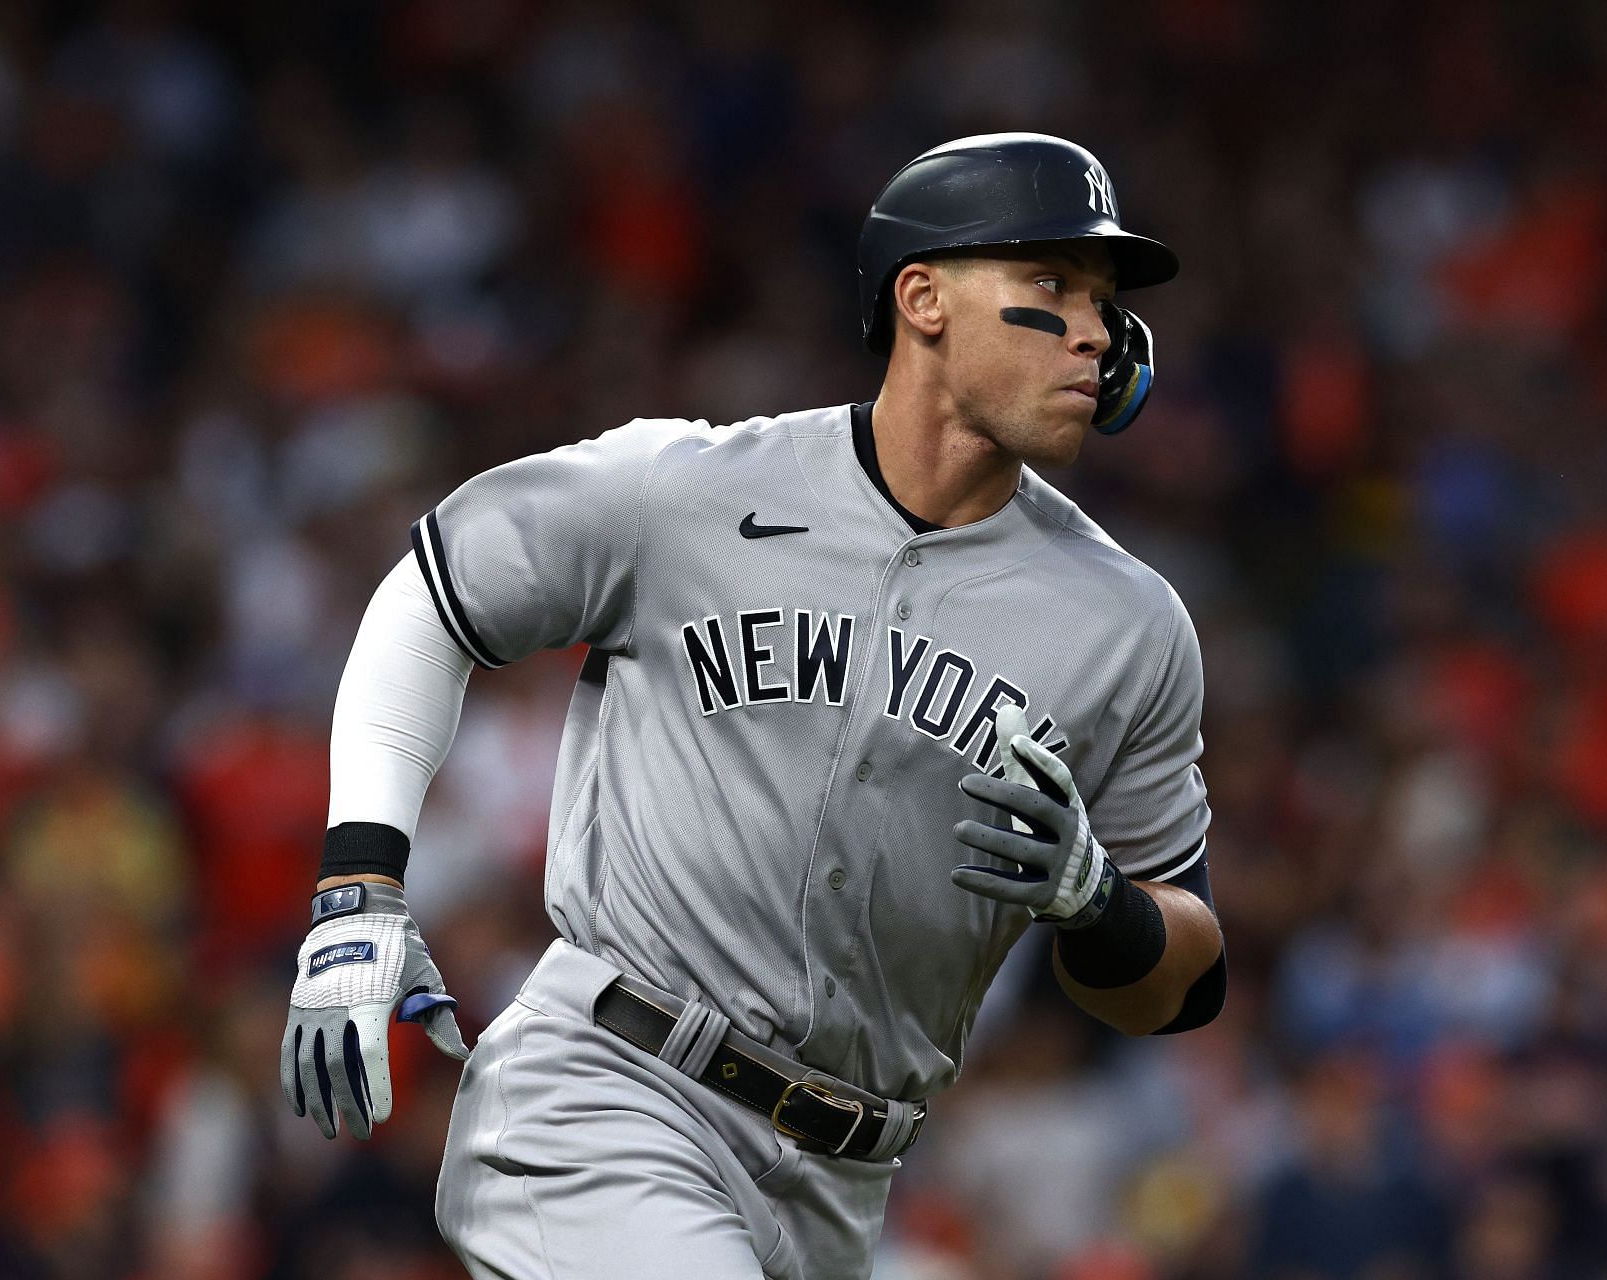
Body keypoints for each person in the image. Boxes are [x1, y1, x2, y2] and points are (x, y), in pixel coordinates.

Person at [280, 132, 1226, 1280]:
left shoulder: (1129, 622)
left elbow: (1187, 980)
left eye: (1105, 300)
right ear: (923, 299)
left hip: (845, 1183)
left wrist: (1102, 902)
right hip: (611, 1095)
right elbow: (432, 596)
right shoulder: (693, 489)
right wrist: (360, 883)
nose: (1097, 331)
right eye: (1052, 287)